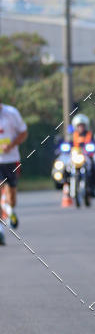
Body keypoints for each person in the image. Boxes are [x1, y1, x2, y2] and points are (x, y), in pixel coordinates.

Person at [0, 101, 27, 244]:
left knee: (12, 196)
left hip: (11, 160)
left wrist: (10, 145)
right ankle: (0, 230)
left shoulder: (11, 113)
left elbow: (23, 133)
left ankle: (11, 211)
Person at [71, 114, 95, 197]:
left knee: (94, 167)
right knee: (64, 167)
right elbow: (68, 144)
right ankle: (64, 183)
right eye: (79, 126)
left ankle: (93, 188)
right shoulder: (72, 135)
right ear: (76, 126)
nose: (81, 128)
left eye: (82, 126)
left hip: (87, 157)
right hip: (75, 157)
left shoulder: (90, 134)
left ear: (85, 126)